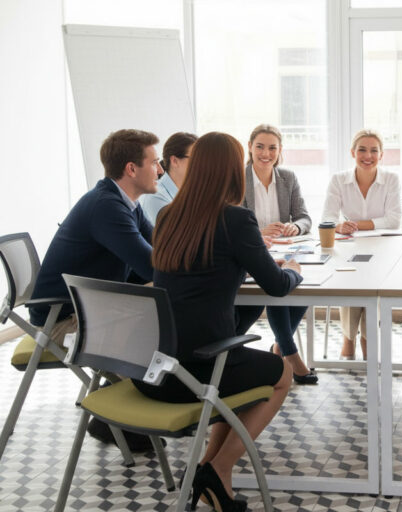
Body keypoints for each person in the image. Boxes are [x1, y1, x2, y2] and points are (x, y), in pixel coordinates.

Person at [137, 131, 300, 511]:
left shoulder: (167, 214)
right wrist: (292, 270)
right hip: (196, 370)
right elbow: (276, 287)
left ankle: (209, 468)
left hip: (153, 369)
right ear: (230, 172)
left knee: (240, 373)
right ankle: (220, 466)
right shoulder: (236, 219)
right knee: (280, 375)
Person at [28, 129, 161, 451]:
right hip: (63, 319)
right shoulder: (107, 207)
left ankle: (115, 415)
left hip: (88, 306)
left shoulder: (124, 202)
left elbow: (161, 248)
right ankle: (121, 415)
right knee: (163, 321)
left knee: (162, 311)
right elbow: (151, 267)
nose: (160, 170)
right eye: (155, 162)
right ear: (132, 169)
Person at [242, 124, 315, 384]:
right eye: (260, 146)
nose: (266, 153)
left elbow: (305, 217)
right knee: (277, 288)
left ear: (280, 150)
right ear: (249, 147)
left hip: (286, 249)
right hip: (253, 253)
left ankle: (279, 347)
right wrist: (259, 233)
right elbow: (232, 223)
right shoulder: (237, 178)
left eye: (272, 147)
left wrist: (295, 226)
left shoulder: (288, 178)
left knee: (303, 286)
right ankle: (292, 356)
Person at [322, 129, 401, 360]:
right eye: (362, 150)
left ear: (382, 154)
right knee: (350, 280)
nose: (368, 155)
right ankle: (350, 337)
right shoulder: (339, 180)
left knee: (372, 283)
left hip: (383, 249)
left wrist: (354, 223)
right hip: (349, 247)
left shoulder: (391, 180)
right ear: (352, 152)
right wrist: (339, 226)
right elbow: (327, 217)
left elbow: (394, 221)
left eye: (374, 150)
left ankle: (364, 338)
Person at [139, 132, 197, 224]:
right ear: (174, 161)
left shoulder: (192, 192)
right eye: (195, 159)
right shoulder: (155, 197)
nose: (201, 165)